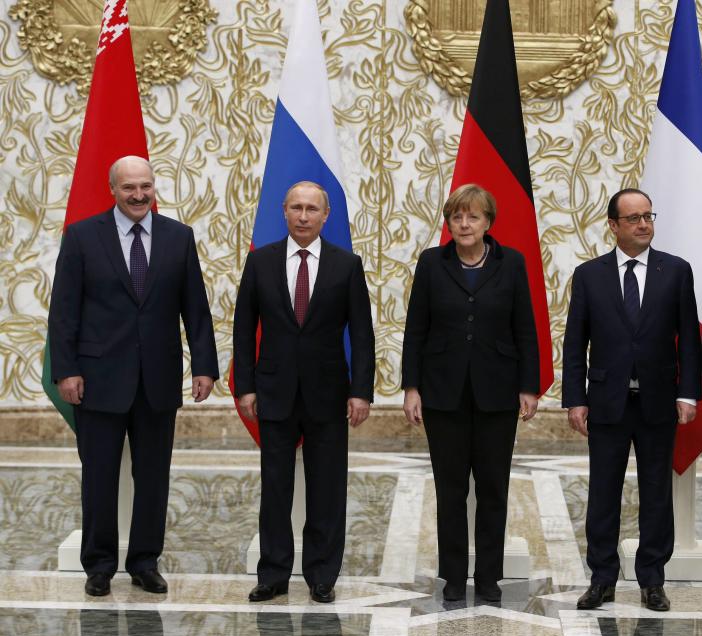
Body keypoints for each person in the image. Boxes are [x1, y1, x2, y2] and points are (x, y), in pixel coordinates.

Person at [48, 155, 219, 597]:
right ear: (113, 189)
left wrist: (204, 366)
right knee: (99, 477)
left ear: (153, 187)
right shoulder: (83, 237)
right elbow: (64, 312)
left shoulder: (178, 237)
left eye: (145, 186)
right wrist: (66, 370)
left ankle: (145, 561)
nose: (139, 195)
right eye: (129, 188)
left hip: (158, 381)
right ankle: (99, 565)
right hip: (98, 380)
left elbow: (195, 309)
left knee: (154, 476)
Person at [233, 181, 375, 604]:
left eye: (312, 208)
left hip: (329, 393)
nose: (303, 215)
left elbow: (363, 335)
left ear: (325, 216)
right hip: (273, 390)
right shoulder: (260, 262)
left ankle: (321, 574)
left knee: (327, 488)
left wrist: (361, 391)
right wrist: (244, 386)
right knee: (275, 487)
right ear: (284, 211)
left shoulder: (346, 265)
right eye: (295, 207)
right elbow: (244, 329)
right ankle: (273, 573)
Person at [562, 188, 701, 612]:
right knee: (604, 492)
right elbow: (575, 343)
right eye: (634, 218)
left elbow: (689, 343)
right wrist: (575, 399)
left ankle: (652, 580)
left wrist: (687, 392)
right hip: (606, 401)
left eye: (648, 216)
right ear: (614, 225)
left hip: (658, 401)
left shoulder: (675, 271)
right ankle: (602, 578)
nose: (644, 224)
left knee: (657, 493)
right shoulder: (590, 275)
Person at [401, 184, 539, 602]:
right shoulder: (431, 263)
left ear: (488, 223)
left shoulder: (511, 263)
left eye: (473, 217)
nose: (464, 224)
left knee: (493, 488)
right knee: (451, 489)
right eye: (457, 216)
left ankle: (489, 578)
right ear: (449, 221)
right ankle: (455, 576)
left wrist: (529, 387)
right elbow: (416, 329)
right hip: (444, 394)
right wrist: (411, 386)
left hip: (497, 392)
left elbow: (525, 330)